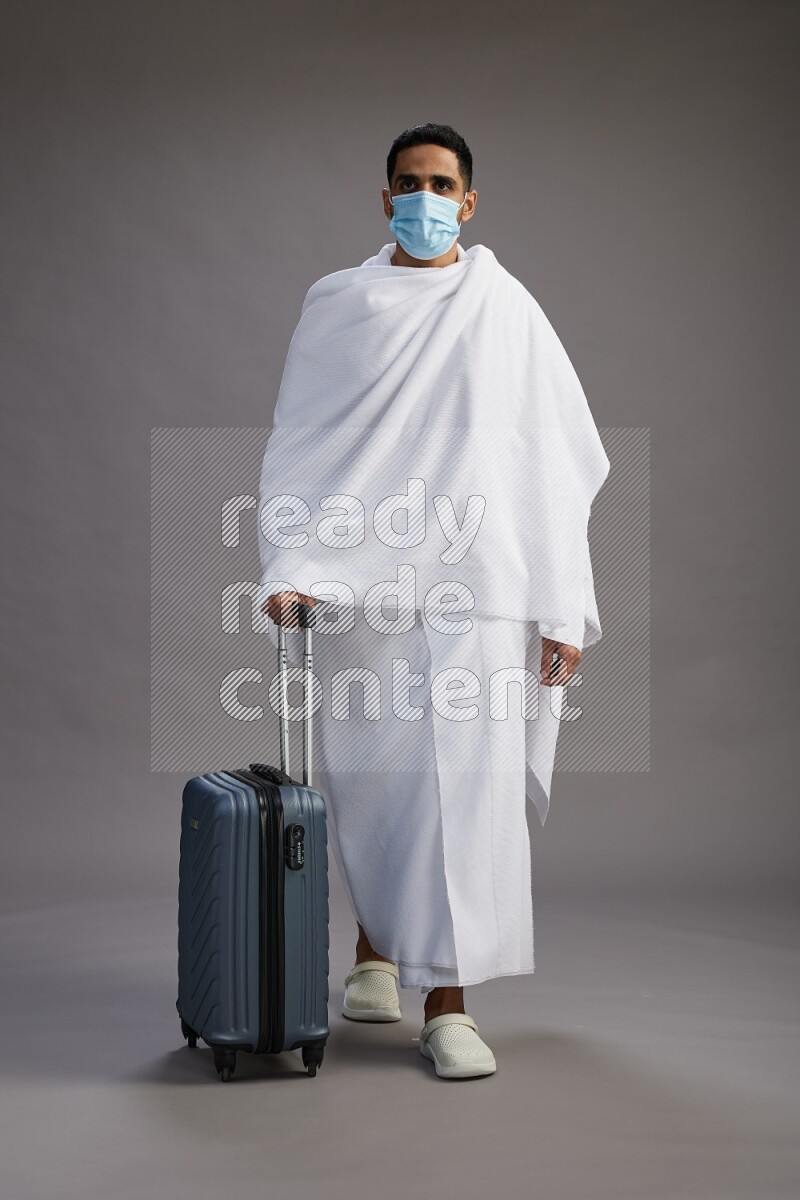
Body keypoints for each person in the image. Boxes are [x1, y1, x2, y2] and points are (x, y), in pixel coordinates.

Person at [258, 123, 610, 1080]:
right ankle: (375, 952)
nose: (424, 198)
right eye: (408, 183)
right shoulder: (340, 306)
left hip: (481, 591)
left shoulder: (506, 311)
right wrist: (290, 562)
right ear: (384, 200)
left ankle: (449, 1005)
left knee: (466, 795)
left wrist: (564, 607)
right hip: (363, 589)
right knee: (376, 784)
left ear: (470, 200)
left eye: (441, 184)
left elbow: (557, 465)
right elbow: (303, 443)